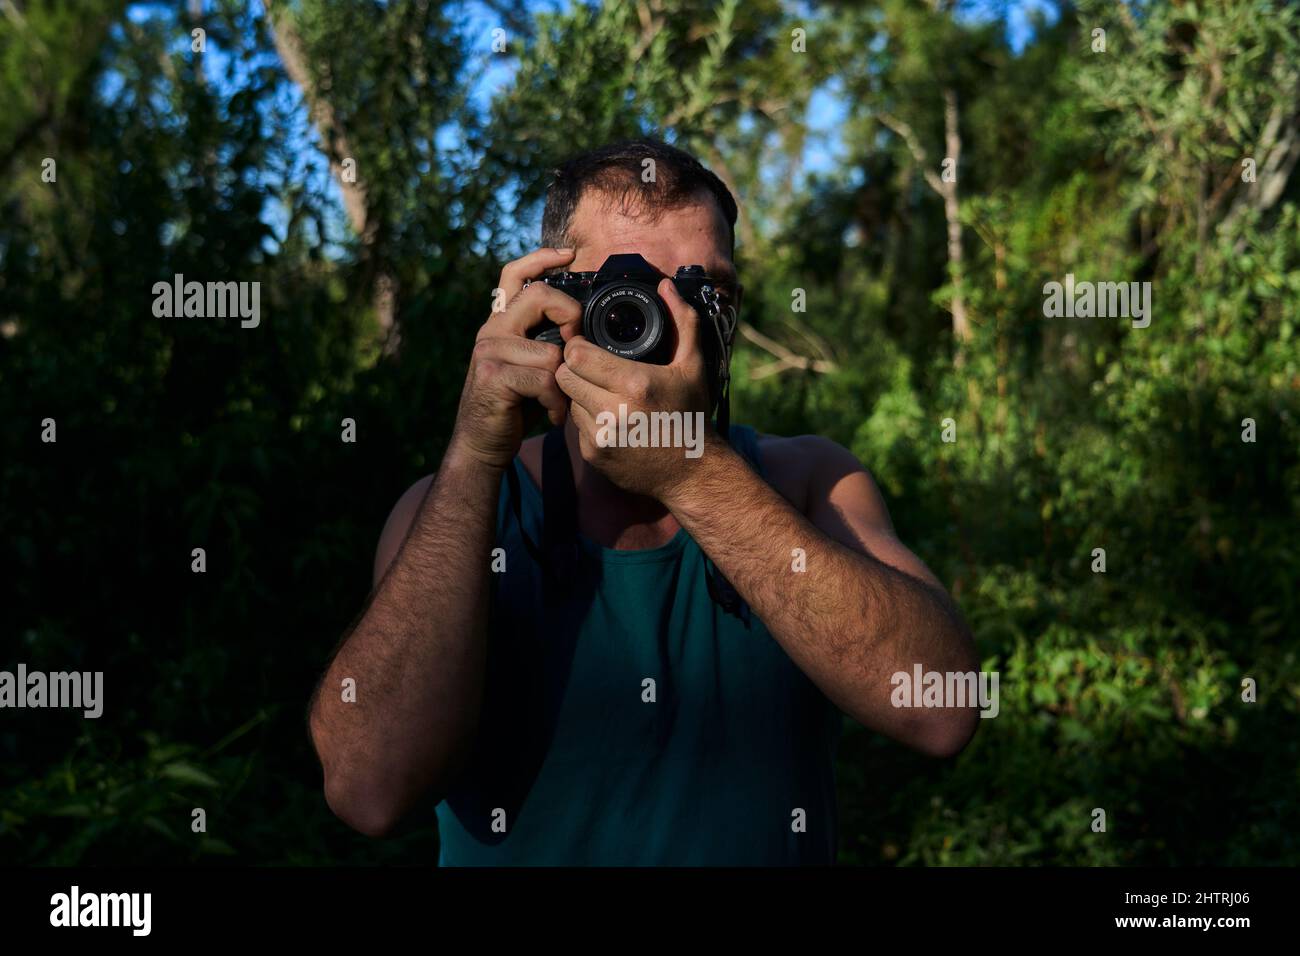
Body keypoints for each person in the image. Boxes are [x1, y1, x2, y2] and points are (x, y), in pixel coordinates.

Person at [308, 138, 979, 865]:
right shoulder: (462, 511)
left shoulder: (811, 481)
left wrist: (692, 475)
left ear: (734, 315)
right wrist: (474, 453)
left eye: (702, 292)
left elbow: (941, 711)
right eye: (625, 292)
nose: (664, 323)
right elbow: (366, 790)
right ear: (547, 302)